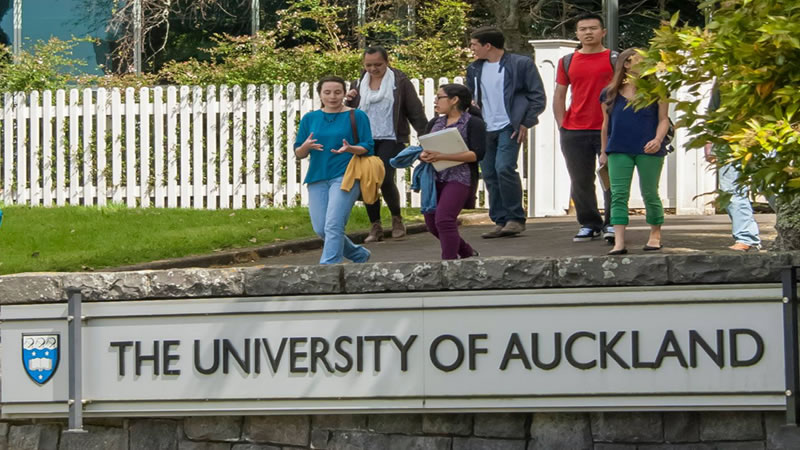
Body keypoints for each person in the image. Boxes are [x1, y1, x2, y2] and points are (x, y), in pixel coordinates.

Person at [466, 27, 546, 239]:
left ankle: (515, 218)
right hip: (484, 127)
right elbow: (471, 99)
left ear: (487, 45)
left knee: (504, 168)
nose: (472, 49)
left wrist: (525, 122)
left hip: (509, 125)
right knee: (490, 173)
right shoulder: (474, 69)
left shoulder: (520, 64)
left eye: (474, 44)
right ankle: (500, 220)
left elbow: (537, 96)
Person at [345, 46, 428, 243]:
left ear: (387, 62)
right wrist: (348, 100)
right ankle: (376, 226)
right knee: (368, 179)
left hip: (392, 137)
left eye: (378, 65)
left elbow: (414, 110)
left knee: (383, 176)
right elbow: (347, 113)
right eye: (369, 65)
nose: (373, 69)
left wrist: (426, 136)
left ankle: (397, 219)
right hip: (365, 139)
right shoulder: (358, 83)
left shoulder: (400, 82)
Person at [294, 76, 375, 264]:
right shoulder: (310, 118)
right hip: (317, 177)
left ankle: (329, 267)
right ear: (320, 94)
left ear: (345, 93)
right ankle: (358, 254)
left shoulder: (357, 115)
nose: (332, 96)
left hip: (346, 175)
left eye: (337, 92)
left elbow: (368, 146)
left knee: (333, 224)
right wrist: (305, 146)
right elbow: (299, 152)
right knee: (321, 229)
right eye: (327, 92)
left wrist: (350, 148)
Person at [554, 13, 617, 244]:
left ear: (603, 32)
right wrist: (562, 125)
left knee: (612, 178)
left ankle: (613, 222)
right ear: (577, 33)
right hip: (574, 129)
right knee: (580, 180)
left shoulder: (614, 58)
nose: (588, 33)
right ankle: (589, 223)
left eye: (592, 28)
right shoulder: (567, 61)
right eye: (583, 29)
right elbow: (559, 94)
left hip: (609, 128)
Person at [599, 48, 670, 255]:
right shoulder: (609, 93)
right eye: (638, 60)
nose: (644, 64)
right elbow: (605, 125)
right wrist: (604, 151)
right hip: (618, 148)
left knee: (650, 193)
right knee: (618, 195)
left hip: (648, 149)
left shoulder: (657, 89)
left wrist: (658, 139)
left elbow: (663, 119)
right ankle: (619, 242)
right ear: (626, 64)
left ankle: (655, 235)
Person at [417, 84, 487, 259]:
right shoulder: (435, 122)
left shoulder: (473, 123)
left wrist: (444, 156)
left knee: (445, 220)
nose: (435, 101)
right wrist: (423, 155)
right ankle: (466, 252)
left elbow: (477, 154)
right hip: (434, 177)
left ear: (454, 100)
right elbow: (423, 147)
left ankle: (448, 265)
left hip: (459, 177)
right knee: (432, 223)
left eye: (439, 97)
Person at [704, 85, 762, 251]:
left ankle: (790, 230)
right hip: (728, 140)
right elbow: (713, 111)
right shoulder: (725, 75)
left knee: (772, 188)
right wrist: (710, 141)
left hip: (767, 138)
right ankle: (746, 238)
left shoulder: (771, 66)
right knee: (731, 190)